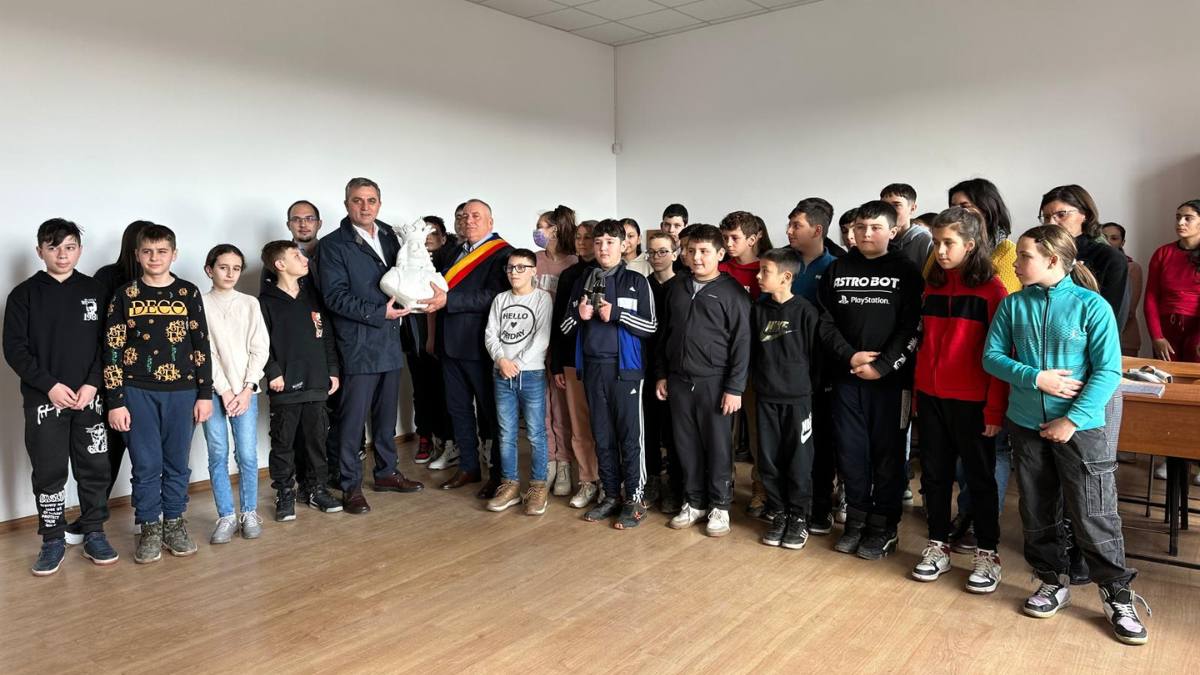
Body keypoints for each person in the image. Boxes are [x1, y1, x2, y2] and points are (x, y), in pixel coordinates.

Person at [983, 225, 1150, 645]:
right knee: (1037, 509)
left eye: (1024, 257)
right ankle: (1051, 580)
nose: (1016, 264)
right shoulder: (1013, 304)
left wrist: (1071, 421)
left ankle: (1117, 594)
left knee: (1093, 511)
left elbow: (1108, 372)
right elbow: (992, 357)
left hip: (1081, 428)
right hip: (1026, 424)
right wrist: (1034, 377)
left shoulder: (1091, 306)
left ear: (1053, 260)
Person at [4, 218, 116, 575]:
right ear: (40, 251)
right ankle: (52, 538)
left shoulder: (96, 290)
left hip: (89, 398)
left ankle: (94, 531)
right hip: (45, 401)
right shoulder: (23, 295)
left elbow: (108, 343)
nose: (62, 254)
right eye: (53, 248)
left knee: (94, 467)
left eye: (69, 247)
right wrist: (49, 386)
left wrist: (93, 384)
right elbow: (14, 349)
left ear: (79, 250)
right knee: (49, 470)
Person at [910, 208, 1009, 592]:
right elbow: (923, 344)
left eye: (948, 243)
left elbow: (1000, 356)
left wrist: (994, 409)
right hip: (931, 397)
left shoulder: (993, 290)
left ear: (970, 245)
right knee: (934, 475)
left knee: (979, 478)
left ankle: (988, 552)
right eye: (936, 242)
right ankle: (938, 544)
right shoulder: (931, 285)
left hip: (974, 403)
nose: (940, 250)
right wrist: (918, 395)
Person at [817, 201, 923, 560]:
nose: (865, 233)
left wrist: (883, 366)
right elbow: (824, 321)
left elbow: (912, 326)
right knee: (851, 453)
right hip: (847, 379)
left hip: (890, 382)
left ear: (892, 231)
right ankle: (857, 521)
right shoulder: (837, 269)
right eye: (860, 227)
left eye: (875, 227)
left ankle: (884, 527)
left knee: (888, 456)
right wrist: (849, 355)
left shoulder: (907, 271)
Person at [104, 223, 213, 563]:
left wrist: (205, 394)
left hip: (183, 391)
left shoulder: (188, 293)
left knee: (177, 462)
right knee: (146, 463)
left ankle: (174, 523)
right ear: (137, 255)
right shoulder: (124, 295)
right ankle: (150, 526)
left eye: (162, 251)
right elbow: (112, 349)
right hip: (137, 391)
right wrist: (115, 400)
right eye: (148, 252)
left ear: (173, 254)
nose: (154, 257)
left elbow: (201, 345)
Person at [317, 177, 423, 514]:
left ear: (379, 203)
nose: (365, 207)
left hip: (391, 341)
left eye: (371, 200)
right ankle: (350, 485)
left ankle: (386, 472)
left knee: (386, 416)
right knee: (351, 421)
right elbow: (334, 297)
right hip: (358, 345)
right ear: (346, 204)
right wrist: (380, 313)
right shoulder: (332, 245)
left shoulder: (391, 234)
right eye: (357, 200)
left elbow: (408, 274)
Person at [657, 224, 751, 537]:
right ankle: (693, 501)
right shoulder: (676, 287)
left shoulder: (733, 293)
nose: (696, 257)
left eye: (704, 252)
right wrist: (662, 373)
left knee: (718, 446)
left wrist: (734, 388)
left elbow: (742, 343)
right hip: (679, 381)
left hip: (716, 382)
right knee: (685, 445)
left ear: (720, 254)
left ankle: (720, 506)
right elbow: (664, 335)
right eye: (691, 251)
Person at [562, 219, 657, 528]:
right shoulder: (583, 281)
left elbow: (651, 326)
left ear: (623, 245)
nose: (603, 248)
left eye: (610, 242)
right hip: (592, 369)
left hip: (625, 371)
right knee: (602, 435)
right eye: (598, 242)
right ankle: (611, 494)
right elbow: (564, 327)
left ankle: (635, 499)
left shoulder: (636, 281)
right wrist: (578, 315)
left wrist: (617, 314)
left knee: (630, 437)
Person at [422, 199, 512, 499]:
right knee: (458, 410)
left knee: (491, 414)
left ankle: (499, 475)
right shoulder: (453, 252)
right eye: (464, 216)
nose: (469, 221)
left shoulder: (503, 254)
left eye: (476, 216)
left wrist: (451, 301)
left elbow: (496, 296)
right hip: (450, 345)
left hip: (481, 346)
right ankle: (469, 466)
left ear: (490, 221)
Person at [259, 240, 343, 520]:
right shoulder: (265, 302)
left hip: (316, 382)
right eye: (296, 256)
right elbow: (260, 344)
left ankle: (315, 489)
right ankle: (285, 492)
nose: (304, 259)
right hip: (285, 386)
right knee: (283, 443)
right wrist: (273, 371)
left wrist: (332, 370)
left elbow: (325, 336)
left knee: (316, 440)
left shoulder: (312, 297)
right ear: (280, 264)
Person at [201, 244, 270, 543]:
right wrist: (225, 390)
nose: (230, 273)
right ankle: (226, 515)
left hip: (245, 392)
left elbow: (260, 348)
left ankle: (249, 512)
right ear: (209, 270)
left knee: (247, 454)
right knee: (217, 453)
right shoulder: (199, 304)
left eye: (236, 268)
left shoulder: (249, 304)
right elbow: (205, 352)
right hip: (213, 392)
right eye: (223, 267)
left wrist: (247, 388)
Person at [752, 247, 820, 550]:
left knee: (798, 461)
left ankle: (798, 516)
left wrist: (806, 389)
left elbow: (816, 358)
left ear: (786, 276)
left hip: (798, 400)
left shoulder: (806, 311)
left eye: (765, 271)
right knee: (769, 458)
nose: (758, 276)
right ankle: (778, 512)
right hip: (766, 397)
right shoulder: (758, 310)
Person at [85, 219, 149, 536]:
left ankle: (147, 517)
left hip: (149, 383)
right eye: (146, 247)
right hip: (113, 380)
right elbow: (96, 333)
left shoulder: (163, 282)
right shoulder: (107, 278)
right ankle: (93, 519)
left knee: (148, 456)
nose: (152, 255)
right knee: (106, 455)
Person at [484, 249, 554, 515]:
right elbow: (491, 334)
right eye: (511, 268)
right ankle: (510, 485)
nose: (515, 272)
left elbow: (542, 338)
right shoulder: (500, 299)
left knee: (535, 433)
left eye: (521, 267)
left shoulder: (542, 298)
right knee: (506, 433)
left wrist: (518, 364)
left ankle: (537, 487)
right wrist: (502, 360)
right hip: (501, 373)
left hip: (531, 374)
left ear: (534, 271)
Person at [785, 198, 840, 533]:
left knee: (819, 438)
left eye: (797, 225)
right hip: (783, 366)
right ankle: (789, 505)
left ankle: (820, 505)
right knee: (788, 440)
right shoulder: (781, 262)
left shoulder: (835, 267)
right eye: (789, 224)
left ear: (817, 230)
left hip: (820, 367)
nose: (789, 231)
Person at [1143, 200, 1200, 483]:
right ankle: (1171, 456)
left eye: (1188, 218)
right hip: (1167, 331)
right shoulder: (1163, 253)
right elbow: (1151, 296)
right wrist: (1157, 336)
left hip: (1197, 330)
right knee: (1167, 392)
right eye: (1178, 217)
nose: (1180, 223)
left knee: (1196, 396)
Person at [550, 220, 602, 509]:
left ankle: (609, 480)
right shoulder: (569, 275)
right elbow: (560, 322)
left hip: (603, 360)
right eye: (579, 237)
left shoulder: (610, 274)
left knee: (605, 424)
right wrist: (558, 364)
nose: (582, 242)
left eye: (589, 237)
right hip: (572, 359)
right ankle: (587, 479)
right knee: (579, 425)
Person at [717, 211, 765, 509]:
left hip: (756, 362)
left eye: (735, 238)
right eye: (725, 238)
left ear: (753, 238)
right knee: (724, 429)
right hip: (722, 362)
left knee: (758, 430)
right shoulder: (720, 269)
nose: (729, 244)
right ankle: (725, 482)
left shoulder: (766, 269)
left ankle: (760, 486)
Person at [534, 206, 579, 496]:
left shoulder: (573, 264)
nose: (537, 231)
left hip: (560, 345)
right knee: (540, 408)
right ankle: (547, 460)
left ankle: (564, 462)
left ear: (555, 230)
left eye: (541, 226)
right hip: (533, 345)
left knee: (562, 407)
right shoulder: (533, 261)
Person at [1039, 185, 1128, 321]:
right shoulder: (1040, 254)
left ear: (1086, 215)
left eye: (1061, 215)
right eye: (1046, 217)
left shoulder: (1109, 257)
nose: (1051, 223)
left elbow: (1111, 318)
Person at [406, 215, 452, 465]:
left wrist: (433, 339)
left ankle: (446, 440)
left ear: (443, 238)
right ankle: (425, 436)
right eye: (423, 233)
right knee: (421, 390)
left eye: (433, 233)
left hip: (442, 339)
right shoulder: (407, 263)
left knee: (443, 391)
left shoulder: (449, 265)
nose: (427, 238)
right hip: (414, 337)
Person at [643, 230, 680, 511]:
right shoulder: (642, 285)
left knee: (674, 431)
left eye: (663, 251)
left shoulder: (683, 287)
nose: (657, 257)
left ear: (675, 254)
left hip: (674, 369)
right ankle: (652, 478)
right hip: (645, 366)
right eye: (652, 252)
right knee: (649, 428)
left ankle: (674, 484)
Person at [1103, 222, 1144, 357]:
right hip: (1098, 333)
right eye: (1104, 238)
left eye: (1114, 238)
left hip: (1124, 333)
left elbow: (1129, 310)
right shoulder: (1091, 265)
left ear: (1122, 242)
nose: (1108, 242)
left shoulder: (1132, 267)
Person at [881, 183, 932, 269]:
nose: (889, 211)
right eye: (884, 206)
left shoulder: (925, 239)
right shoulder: (875, 236)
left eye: (896, 205)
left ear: (912, 208)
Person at [661, 204, 689, 272]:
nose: (671, 230)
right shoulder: (651, 254)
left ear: (685, 228)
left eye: (677, 225)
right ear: (661, 226)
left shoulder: (691, 254)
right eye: (667, 225)